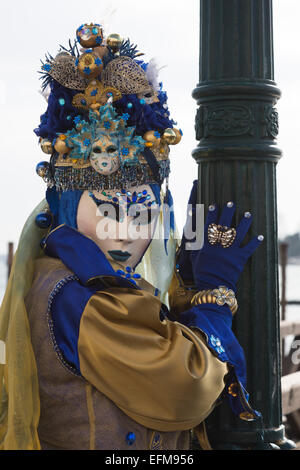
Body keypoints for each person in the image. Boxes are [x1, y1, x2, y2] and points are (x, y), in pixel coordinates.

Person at [0, 22, 263, 450]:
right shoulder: (74, 295)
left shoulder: (106, 283)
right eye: (105, 210)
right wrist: (214, 295)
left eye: (142, 213)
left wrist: (187, 288)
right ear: (67, 203)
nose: (122, 231)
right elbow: (187, 387)